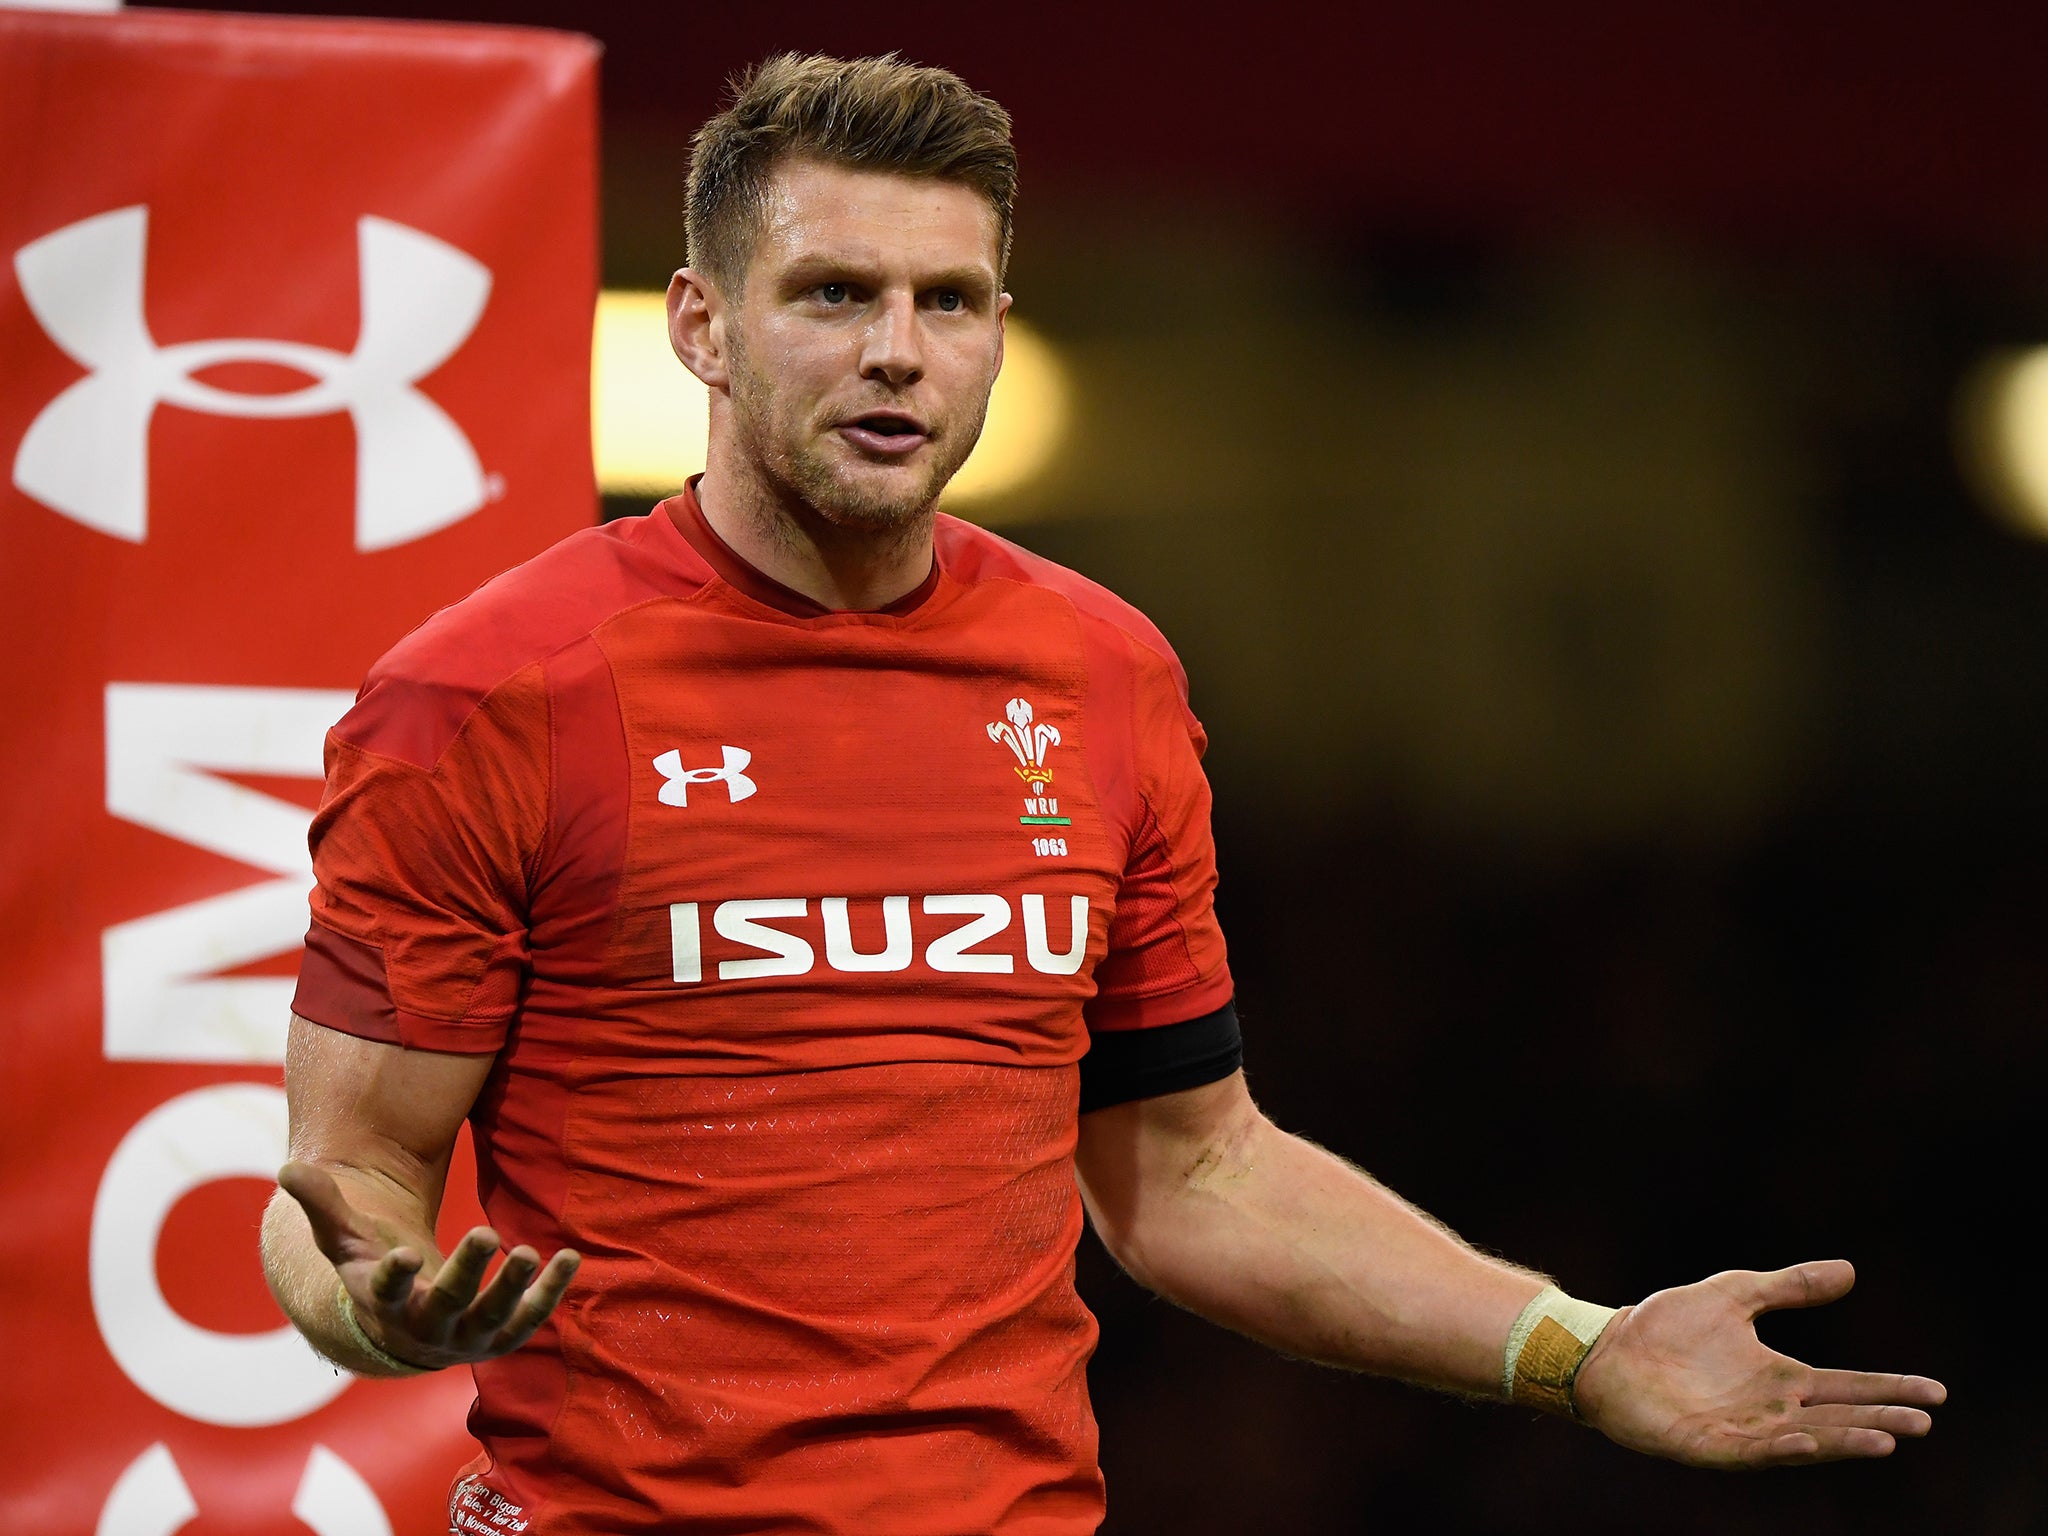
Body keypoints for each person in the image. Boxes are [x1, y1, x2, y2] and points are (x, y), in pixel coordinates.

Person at [262, 52, 1945, 1535]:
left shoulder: (1103, 675)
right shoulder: (484, 695)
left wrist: (1575, 1351)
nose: (901, 355)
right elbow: (344, 1186)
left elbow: (1189, 1173)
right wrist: (378, 1313)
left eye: (952, 300)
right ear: (702, 326)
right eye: (835, 293)